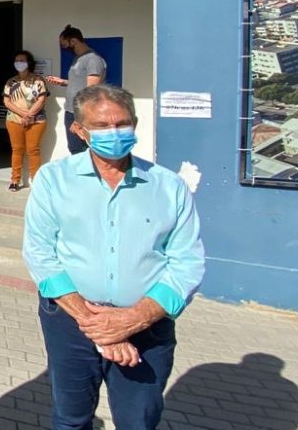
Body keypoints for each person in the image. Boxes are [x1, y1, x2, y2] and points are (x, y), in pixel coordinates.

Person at [22, 84, 205, 430]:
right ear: (79, 130)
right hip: (69, 320)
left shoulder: (168, 186)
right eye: (102, 127)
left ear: (135, 123)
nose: (114, 133)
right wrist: (101, 327)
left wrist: (135, 318)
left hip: (147, 327)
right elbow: (40, 254)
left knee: (140, 420)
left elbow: (187, 262)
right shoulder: (52, 179)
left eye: (122, 124)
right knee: (70, 419)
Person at [46, 24, 107, 155]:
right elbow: (81, 83)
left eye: (64, 45)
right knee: (74, 148)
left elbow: (92, 91)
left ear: (73, 41)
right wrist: (62, 82)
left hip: (82, 113)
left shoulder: (93, 59)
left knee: (82, 149)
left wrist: (80, 118)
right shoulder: (77, 58)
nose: (64, 48)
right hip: (70, 110)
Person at [2, 50, 49, 192]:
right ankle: (15, 180)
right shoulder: (11, 82)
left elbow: (42, 99)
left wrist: (29, 115)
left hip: (37, 121)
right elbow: (7, 101)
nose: (19, 63)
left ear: (29, 63)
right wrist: (23, 114)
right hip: (14, 120)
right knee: (17, 150)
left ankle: (36, 180)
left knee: (33, 150)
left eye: (22, 60)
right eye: (17, 60)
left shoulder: (38, 80)